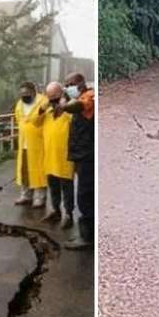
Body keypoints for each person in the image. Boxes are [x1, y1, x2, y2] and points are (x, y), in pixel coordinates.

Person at [58, 72, 94, 250]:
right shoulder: (82, 97)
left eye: (69, 84)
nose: (67, 88)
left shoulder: (89, 96)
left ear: (80, 83)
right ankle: (86, 235)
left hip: (88, 155)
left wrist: (63, 102)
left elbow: (74, 106)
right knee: (86, 195)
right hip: (82, 155)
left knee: (85, 196)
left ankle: (87, 238)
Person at [34, 81, 75, 229]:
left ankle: (69, 214)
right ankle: (55, 210)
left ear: (62, 96)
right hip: (50, 158)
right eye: (50, 98)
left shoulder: (69, 114)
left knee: (67, 189)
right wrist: (42, 108)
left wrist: (66, 105)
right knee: (54, 187)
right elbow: (35, 123)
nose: (53, 102)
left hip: (65, 159)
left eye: (55, 98)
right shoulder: (47, 114)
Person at [13, 81, 47, 208]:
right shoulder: (19, 104)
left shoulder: (43, 102)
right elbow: (18, 119)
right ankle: (26, 195)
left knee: (38, 171)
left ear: (34, 92)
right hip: (24, 143)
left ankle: (40, 197)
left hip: (39, 143)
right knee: (24, 171)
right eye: (22, 94)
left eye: (27, 93)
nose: (24, 96)